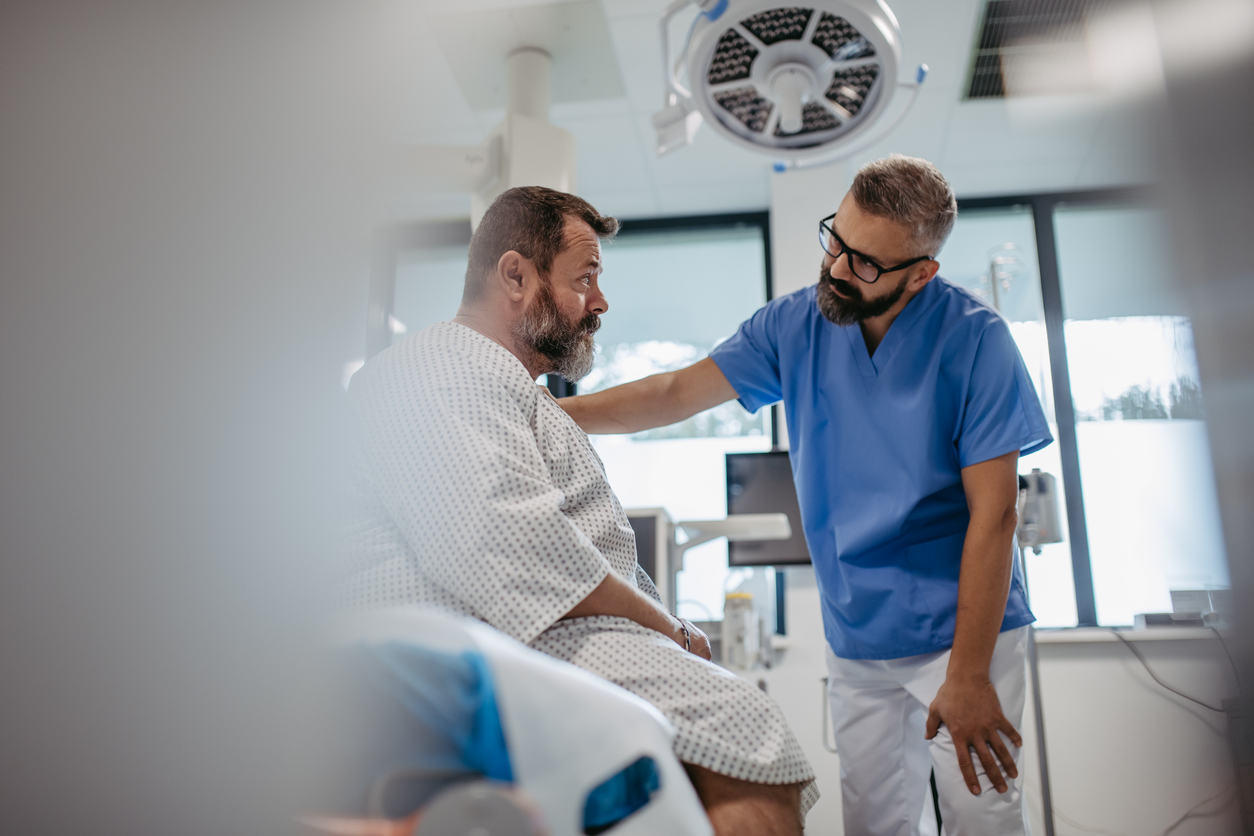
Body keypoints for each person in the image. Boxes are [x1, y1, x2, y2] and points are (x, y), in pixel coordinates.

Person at [560, 155, 1053, 835]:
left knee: (982, 818)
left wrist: (968, 674)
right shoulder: (794, 325)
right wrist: (551, 413)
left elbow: (995, 515)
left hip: (963, 632)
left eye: (865, 263)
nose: (837, 268)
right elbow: (675, 392)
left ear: (920, 274)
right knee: (873, 824)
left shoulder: (976, 339)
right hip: (857, 631)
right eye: (835, 240)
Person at [339, 186, 817, 836]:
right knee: (741, 724)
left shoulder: (511, 390)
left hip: (536, 641)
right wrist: (674, 632)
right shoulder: (443, 366)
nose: (601, 301)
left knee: (727, 727)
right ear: (515, 276)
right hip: (475, 654)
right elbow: (513, 549)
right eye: (584, 278)